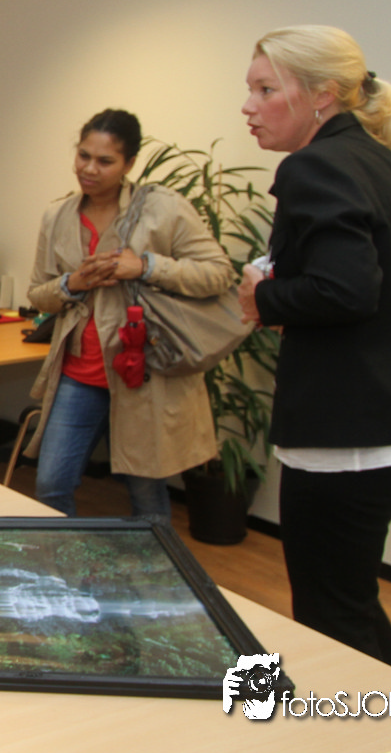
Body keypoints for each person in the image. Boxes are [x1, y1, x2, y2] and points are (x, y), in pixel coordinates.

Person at [237, 27, 391, 701]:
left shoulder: (313, 167)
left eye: (265, 89)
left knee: (331, 612)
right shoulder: (381, 161)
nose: (248, 106)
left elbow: (344, 291)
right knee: (348, 599)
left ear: (323, 95)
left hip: (355, 432)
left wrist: (263, 298)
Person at [25, 109, 236, 520]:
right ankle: (65, 561)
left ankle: (154, 562)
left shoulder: (163, 209)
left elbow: (218, 274)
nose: (89, 169)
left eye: (105, 161)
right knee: (51, 484)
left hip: (142, 372)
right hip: (79, 373)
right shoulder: (58, 216)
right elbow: (38, 294)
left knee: (146, 494)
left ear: (129, 164)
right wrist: (73, 283)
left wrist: (146, 266)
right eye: (83, 156)